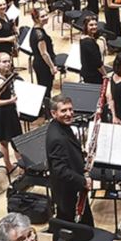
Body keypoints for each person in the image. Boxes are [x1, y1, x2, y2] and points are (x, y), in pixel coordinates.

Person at [46, 94, 93, 226]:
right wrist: (83, 181)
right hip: (68, 194)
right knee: (77, 228)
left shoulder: (61, 126)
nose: (69, 114)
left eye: (70, 109)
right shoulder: (56, 138)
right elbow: (60, 171)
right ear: (54, 113)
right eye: (63, 111)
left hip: (72, 189)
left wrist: (80, 153)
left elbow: (66, 152)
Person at [0, 52, 22, 175]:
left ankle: (9, 166)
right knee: (16, 141)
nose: (8, 64)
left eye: (9, 61)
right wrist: (11, 101)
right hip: (5, 113)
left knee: (4, 141)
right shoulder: (0, 81)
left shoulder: (1, 76)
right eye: (4, 62)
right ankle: (22, 168)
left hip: (5, 112)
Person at [80, 16, 106, 85]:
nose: (94, 27)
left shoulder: (82, 37)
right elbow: (98, 63)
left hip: (86, 71)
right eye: (91, 25)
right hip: (93, 75)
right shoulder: (89, 43)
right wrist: (105, 74)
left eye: (95, 24)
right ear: (86, 26)